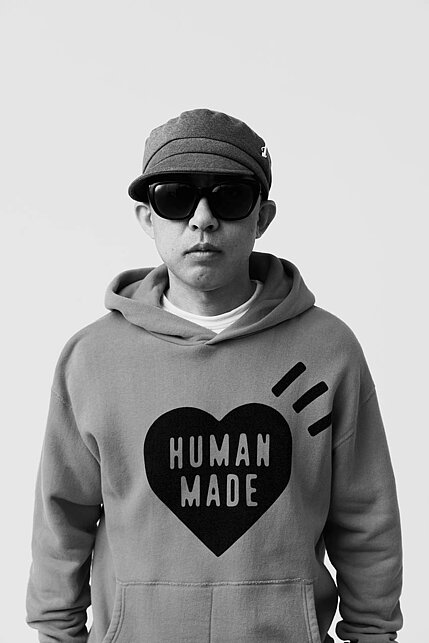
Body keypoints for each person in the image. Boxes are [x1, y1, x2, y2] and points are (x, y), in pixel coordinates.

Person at [25, 108, 403, 643]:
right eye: (175, 197)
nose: (202, 219)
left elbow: (366, 515)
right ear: (147, 218)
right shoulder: (93, 358)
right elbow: (62, 518)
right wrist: (56, 634)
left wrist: (374, 634)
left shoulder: (327, 350)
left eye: (229, 197)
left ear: (262, 217)